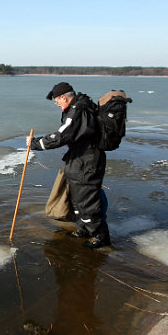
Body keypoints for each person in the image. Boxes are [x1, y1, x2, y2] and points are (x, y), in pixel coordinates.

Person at [28, 82, 111, 249]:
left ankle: (101, 237)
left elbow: (61, 135)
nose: (57, 104)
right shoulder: (80, 108)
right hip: (79, 160)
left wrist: (36, 143)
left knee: (87, 202)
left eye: (57, 100)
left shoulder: (78, 111)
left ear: (64, 97)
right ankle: (83, 230)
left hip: (87, 163)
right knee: (77, 200)